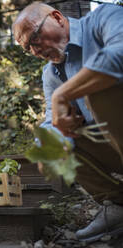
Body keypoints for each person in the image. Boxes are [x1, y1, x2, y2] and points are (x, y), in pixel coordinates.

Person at [13, 2, 123, 243]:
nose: (34, 51)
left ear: (57, 17)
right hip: (113, 144)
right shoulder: (52, 73)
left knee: (99, 89)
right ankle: (117, 203)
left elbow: (119, 53)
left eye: (34, 38)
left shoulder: (103, 18)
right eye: (27, 48)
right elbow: (53, 120)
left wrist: (63, 95)